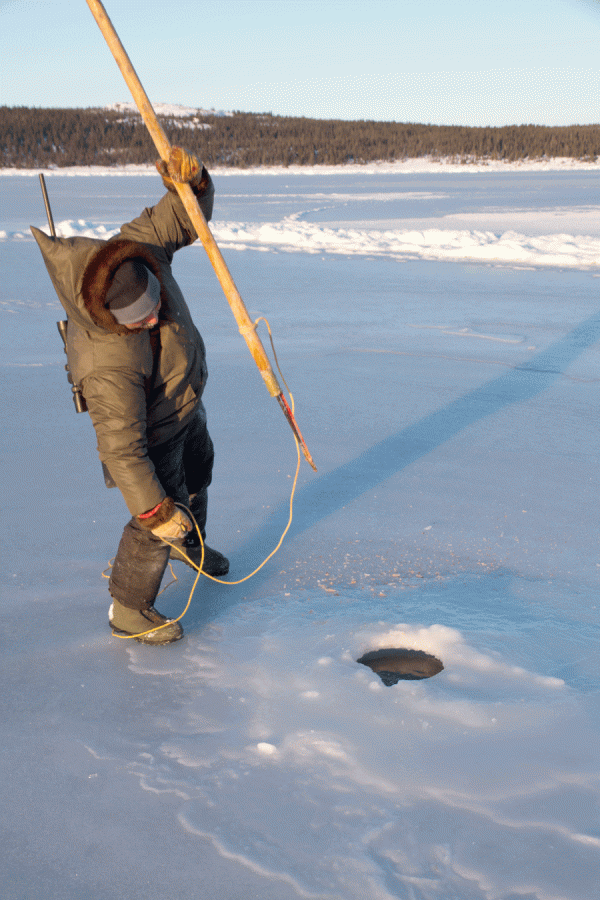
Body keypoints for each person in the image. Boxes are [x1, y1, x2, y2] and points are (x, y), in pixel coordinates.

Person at [32, 147, 229, 645]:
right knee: (156, 521)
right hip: (150, 433)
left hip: (184, 403)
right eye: (139, 318)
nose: (154, 316)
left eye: (155, 302)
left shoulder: (137, 250)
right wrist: (155, 512)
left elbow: (182, 218)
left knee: (199, 473)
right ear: (114, 319)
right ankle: (129, 608)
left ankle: (193, 545)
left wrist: (193, 183)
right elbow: (122, 449)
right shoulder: (107, 363)